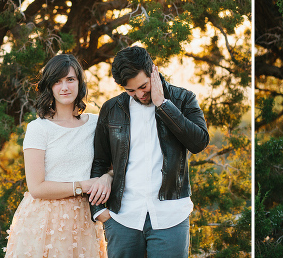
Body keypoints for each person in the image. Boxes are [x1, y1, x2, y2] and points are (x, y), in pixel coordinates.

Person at [89, 46, 210, 258]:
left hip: (170, 216)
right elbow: (99, 161)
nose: (139, 94)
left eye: (143, 86)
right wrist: (98, 211)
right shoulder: (111, 109)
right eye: (131, 91)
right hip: (122, 218)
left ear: (153, 70)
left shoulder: (183, 99)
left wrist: (162, 105)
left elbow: (199, 142)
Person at [4, 54, 114, 257]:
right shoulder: (38, 129)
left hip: (83, 219)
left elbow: (116, 163)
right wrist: (83, 185)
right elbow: (36, 187)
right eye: (57, 81)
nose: (65, 87)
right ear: (49, 87)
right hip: (44, 220)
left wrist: (107, 177)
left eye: (70, 79)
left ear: (79, 83)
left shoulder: (96, 123)